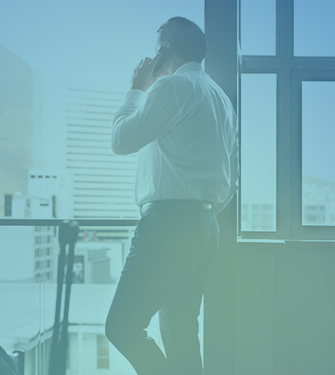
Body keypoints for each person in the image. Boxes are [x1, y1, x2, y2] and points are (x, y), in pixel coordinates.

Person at [104, 16, 238, 375]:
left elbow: (121, 141)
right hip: (205, 225)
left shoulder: (172, 89)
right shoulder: (220, 98)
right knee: (181, 332)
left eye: (158, 46)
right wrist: (200, 212)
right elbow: (229, 175)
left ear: (166, 48)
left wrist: (137, 87)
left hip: (167, 226)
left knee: (121, 326)